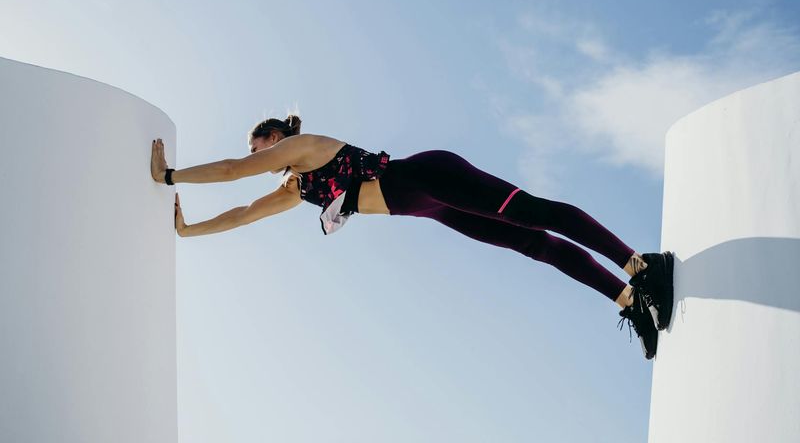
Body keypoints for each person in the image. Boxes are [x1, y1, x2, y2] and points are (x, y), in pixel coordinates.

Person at [151, 115, 674, 360]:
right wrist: (189, 228)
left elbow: (230, 172)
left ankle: (641, 266)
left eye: (256, 144)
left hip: (427, 178)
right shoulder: (296, 189)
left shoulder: (307, 148)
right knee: (534, 246)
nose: (254, 153)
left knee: (533, 215)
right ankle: (630, 300)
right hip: (430, 209)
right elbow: (242, 212)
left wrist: (171, 176)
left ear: (276, 138)